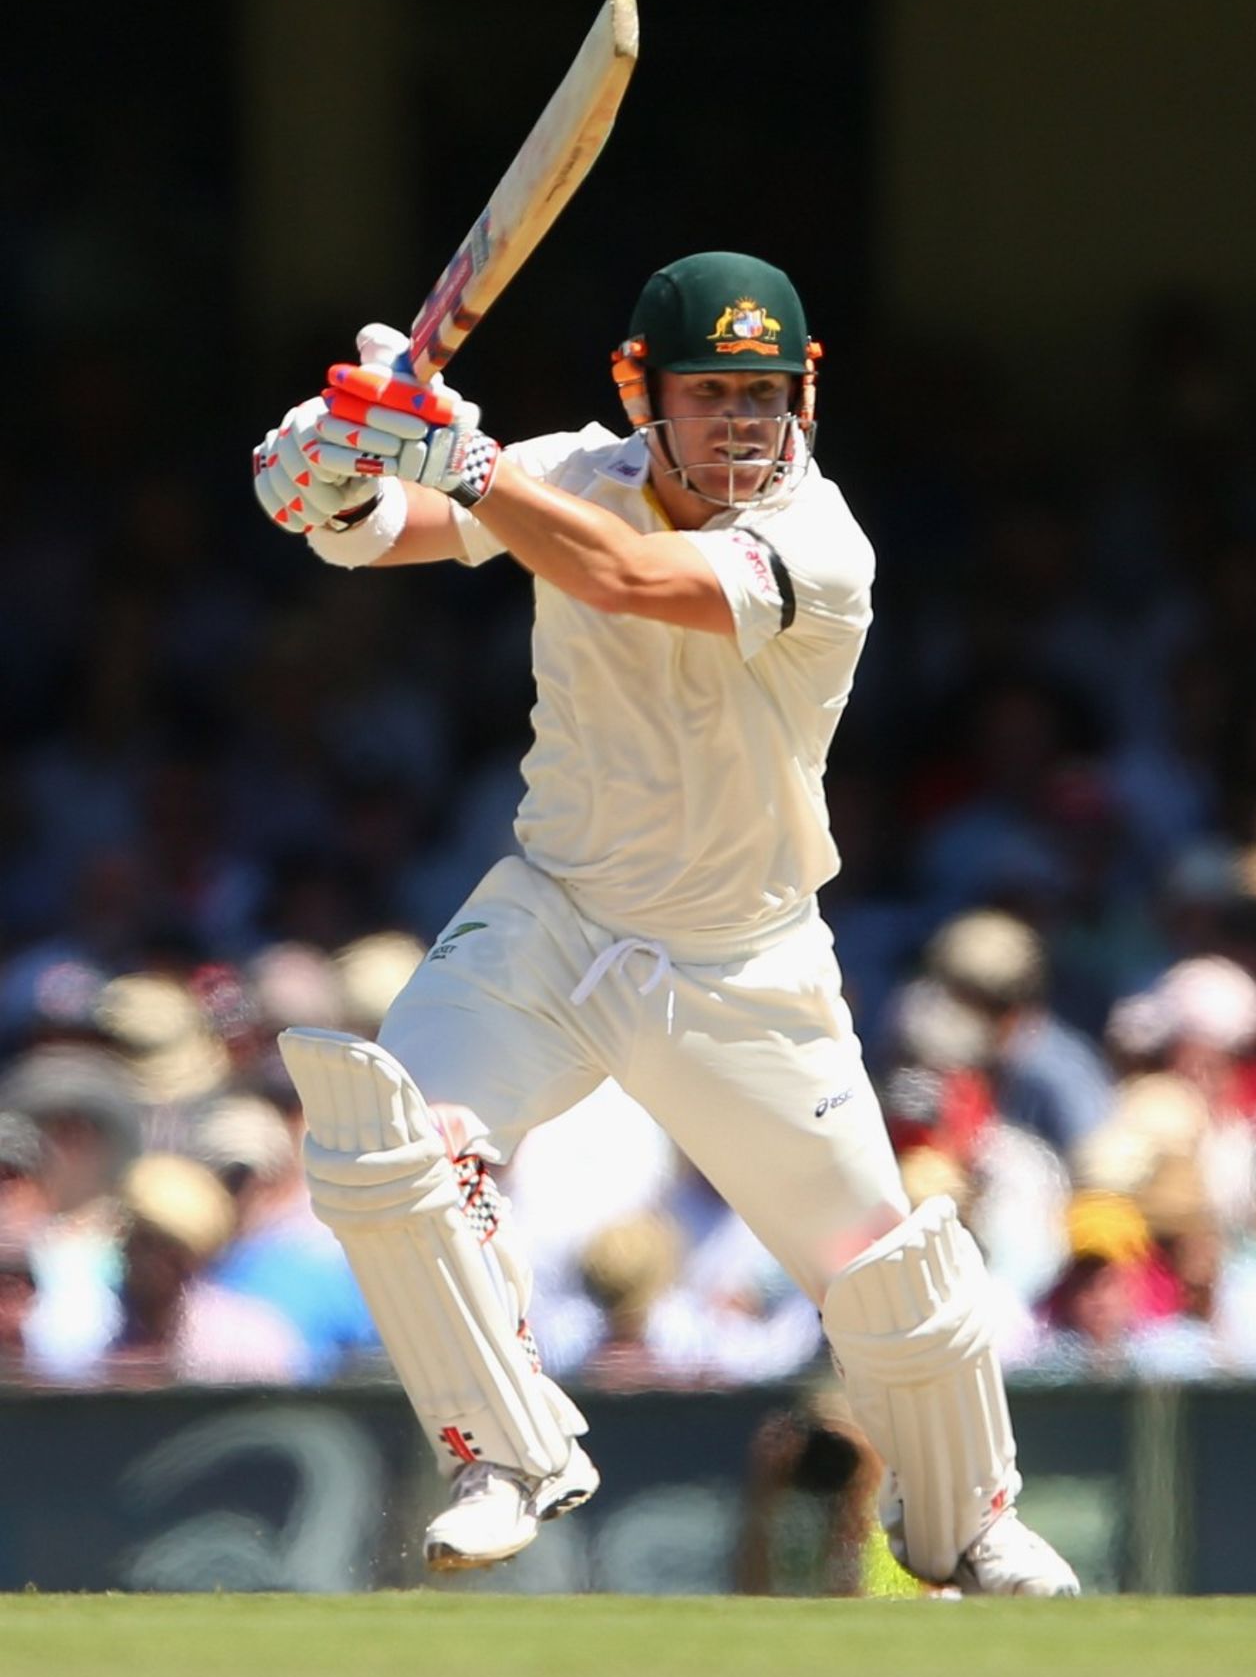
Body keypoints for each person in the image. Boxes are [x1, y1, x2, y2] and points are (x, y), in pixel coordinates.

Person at [251, 251, 1078, 1595]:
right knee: (385, 1136)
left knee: (883, 1265)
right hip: (553, 918)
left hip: (738, 957)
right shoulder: (570, 470)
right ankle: (505, 1457)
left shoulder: (822, 543)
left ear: (806, 394)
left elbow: (633, 578)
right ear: (642, 389)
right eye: (711, 392)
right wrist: (330, 476)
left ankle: (970, 1524)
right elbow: (394, 526)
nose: (743, 423)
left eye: (767, 392)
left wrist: (455, 460)